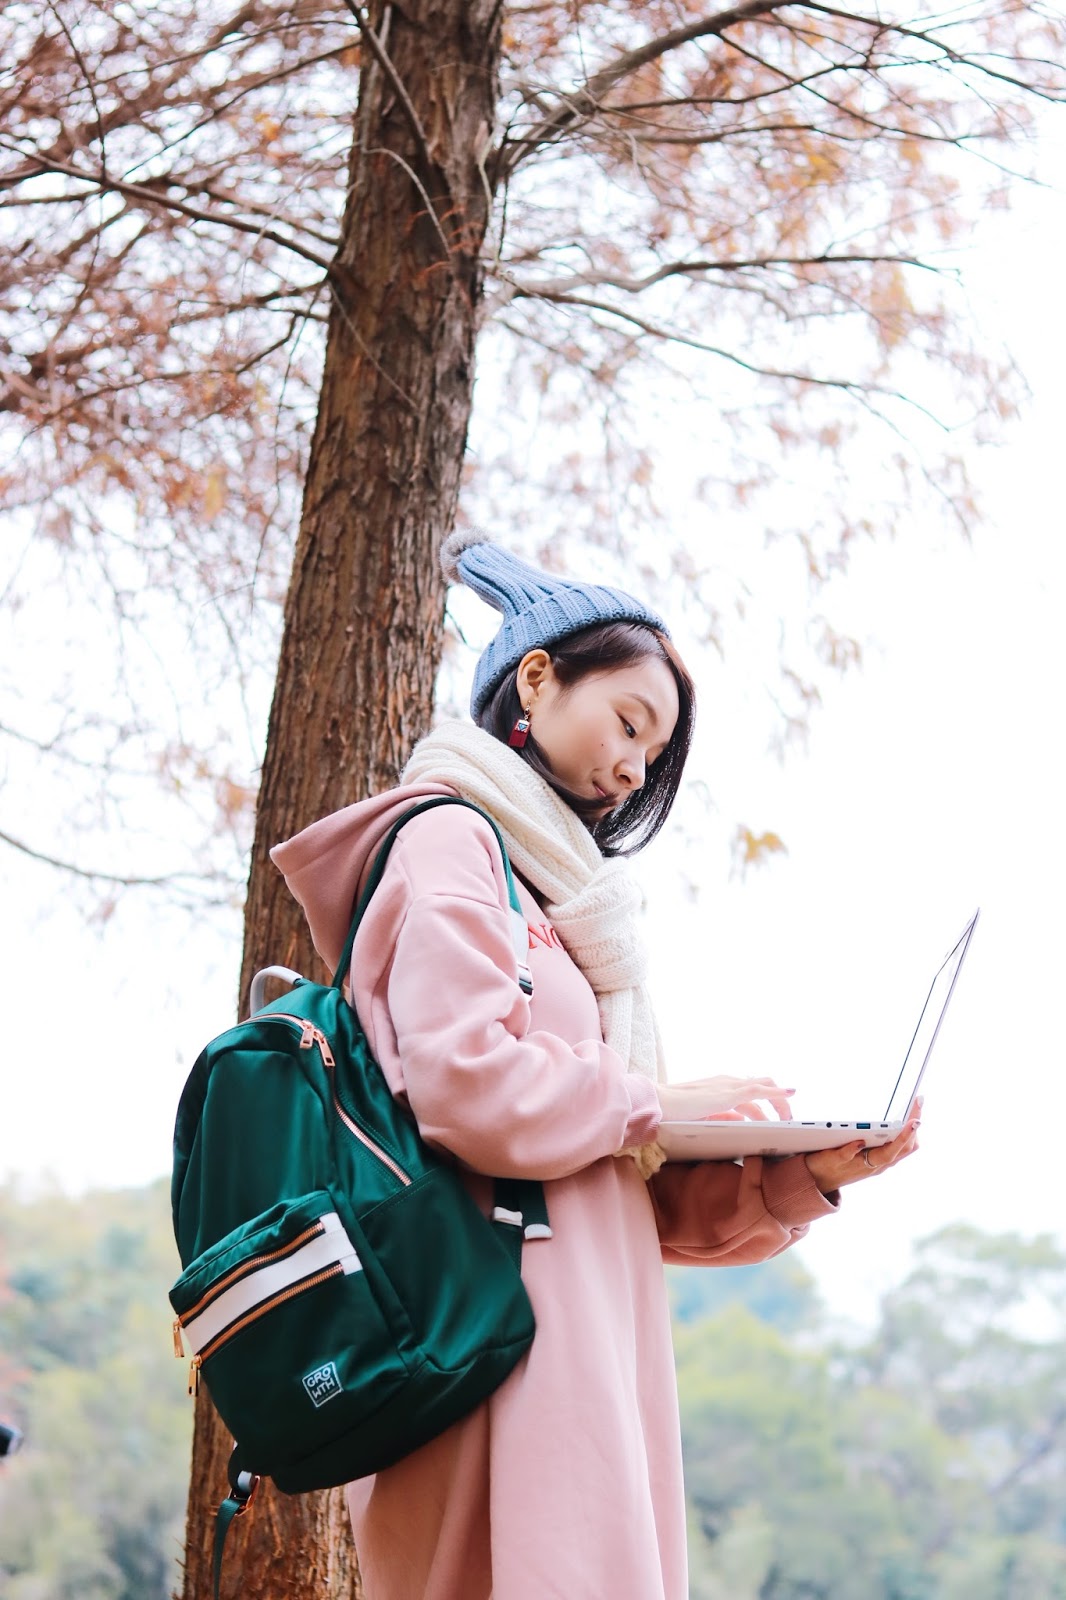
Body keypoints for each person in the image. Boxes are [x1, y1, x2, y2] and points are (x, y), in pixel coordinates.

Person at [270, 532, 920, 1600]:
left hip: (582, 1354)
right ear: (536, 677)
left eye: (653, 754)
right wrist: (648, 1101)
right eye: (629, 722)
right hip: (490, 1344)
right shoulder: (448, 843)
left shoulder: (569, 911)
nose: (634, 768)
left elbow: (619, 1191)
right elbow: (465, 1083)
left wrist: (806, 1173)